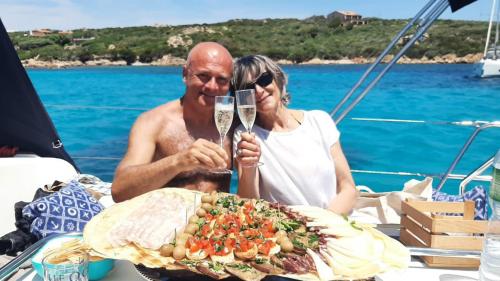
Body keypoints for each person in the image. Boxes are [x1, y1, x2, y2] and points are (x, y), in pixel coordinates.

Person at [232, 55, 357, 214]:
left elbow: (348, 189)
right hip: (290, 231)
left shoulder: (319, 121)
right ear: (240, 98)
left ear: (278, 79)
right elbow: (248, 205)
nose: (258, 90)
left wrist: (323, 224)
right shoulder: (245, 136)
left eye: (264, 80)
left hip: (336, 221)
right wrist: (248, 167)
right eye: (247, 88)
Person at [112, 42, 234, 203]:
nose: (212, 86)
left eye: (222, 80)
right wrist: (179, 161)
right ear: (185, 74)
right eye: (203, 76)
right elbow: (119, 190)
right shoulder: (153, 123)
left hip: (214, 222)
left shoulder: (233, 125)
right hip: (164, 219)